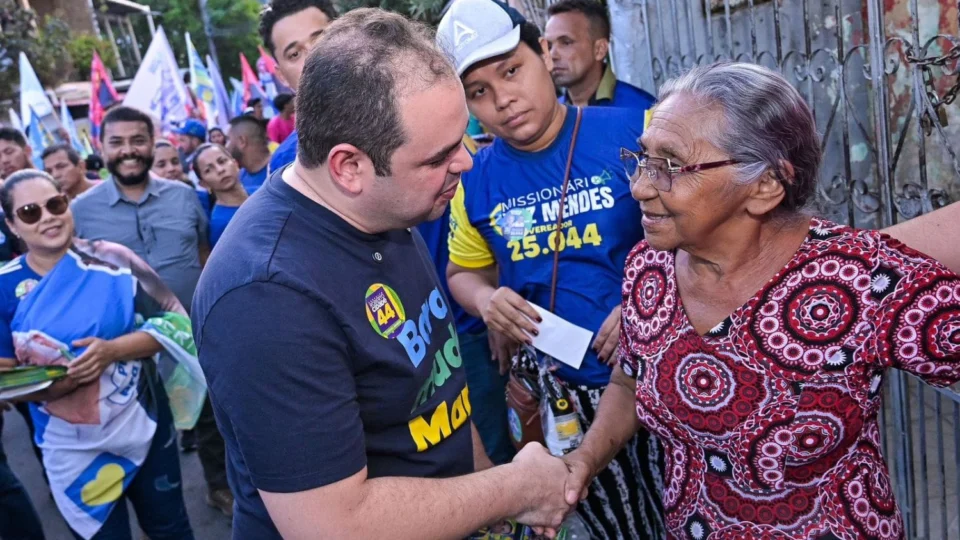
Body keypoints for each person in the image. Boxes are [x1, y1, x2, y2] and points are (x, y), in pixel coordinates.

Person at [192, 10, 579, 538]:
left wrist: (492, 494)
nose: (466, 162)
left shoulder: (390, 207)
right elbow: (332, 526)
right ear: (349, 166)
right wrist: (516, 489)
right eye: (440, 155)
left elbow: (437, 389)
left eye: (461, 138)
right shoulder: (265, 296)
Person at [567, 62, 960, 540]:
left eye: (671, 165)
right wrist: (584, 460)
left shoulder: (859, 281)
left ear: (765, 186)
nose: (640, 186)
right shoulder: (648, 265)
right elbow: (630, 379)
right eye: (644, 158)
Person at [437, 1, 664, 538]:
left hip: (657, 378)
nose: (503, 100)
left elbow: (705, 236)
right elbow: (461, 273)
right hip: (558, 396)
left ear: (544, 52)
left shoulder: (640, 130)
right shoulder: (472, 180)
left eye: (511, 71)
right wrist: (487, 301)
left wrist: (649, 297)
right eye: (478, 92)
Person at [0, 169, 198, 540]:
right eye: (30, 212)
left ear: (67, 203)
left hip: (144, 425)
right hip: (72, 449)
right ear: (12, 225)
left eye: (55, 204)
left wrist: (112, 351)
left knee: (171, 530)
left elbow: (176, 322)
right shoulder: (4, 287)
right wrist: (51, 384)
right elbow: (6, 378)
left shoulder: (113, 260)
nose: (47, 218)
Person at [70, 106, 234, 518]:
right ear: (101, 147)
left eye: (137, 140)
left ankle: (220, 487)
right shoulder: (80, 212)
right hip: (124, 348)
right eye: (117, 142)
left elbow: (204, 253)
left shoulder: (185, 196)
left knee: (214, 416)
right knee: (145, 431)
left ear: (152, 141)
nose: (129, 151)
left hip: (195, 333)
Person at [260, 0, 339, 175]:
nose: (313, 57)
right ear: (281, 76)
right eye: (295, 54)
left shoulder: (407, 100)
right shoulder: (287, 166)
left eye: (321, 39)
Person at [545, 0, 656, 109]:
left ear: (599, 49)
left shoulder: (641, 109)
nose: (552, 55)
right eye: (549, 46)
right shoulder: (549, 115)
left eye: (566, 43)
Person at [192, 143, 248, 247]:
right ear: (204, 184)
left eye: (222, 161)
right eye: (208, 170)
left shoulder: (261, 192)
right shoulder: (220, 224)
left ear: (235, 163)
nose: (220, 170)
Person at [226, 115, 272, 194]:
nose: (226, 145)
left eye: (228, 139)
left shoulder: (279, 169)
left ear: (242, 141)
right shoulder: (239, 177)